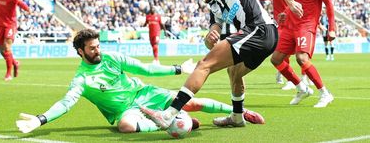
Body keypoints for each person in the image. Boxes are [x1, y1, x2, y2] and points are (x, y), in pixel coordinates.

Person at [16, 29, 265, 134]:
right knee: (124, 126)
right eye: (92, 48)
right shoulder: (81, 79)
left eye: (98, 45)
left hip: (144, 94)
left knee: (192, 102)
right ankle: (173, 123)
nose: (97, 50)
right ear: (80, 52)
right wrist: (40, 119)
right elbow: (66, 102)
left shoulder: (112, 57)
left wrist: (179, 69)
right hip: (126, 110)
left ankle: (239, 111)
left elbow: (145, 68)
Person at [141, 0, 303, 128]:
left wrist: (290, 1)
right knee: (234, 72)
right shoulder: (214, 7)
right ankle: (237, 117)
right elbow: (212, 37)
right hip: (262, 37)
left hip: (259, 30)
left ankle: (169, 114)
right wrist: (210, 37)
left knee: (204, 65)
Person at [270, 0, 336, 108]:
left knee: (301, 58)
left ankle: (325, 94)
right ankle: (301, 88)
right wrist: (285, 10)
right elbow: (293, 0)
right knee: (276, 59)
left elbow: (328, 4)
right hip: (290, 24)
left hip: (306, 25)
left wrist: (332, 28)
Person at [260, 0, 311, 90]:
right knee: (282, 48)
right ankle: (288, 77)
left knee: (300, 50)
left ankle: (304, 76)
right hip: (280, 18)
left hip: (295, 17)